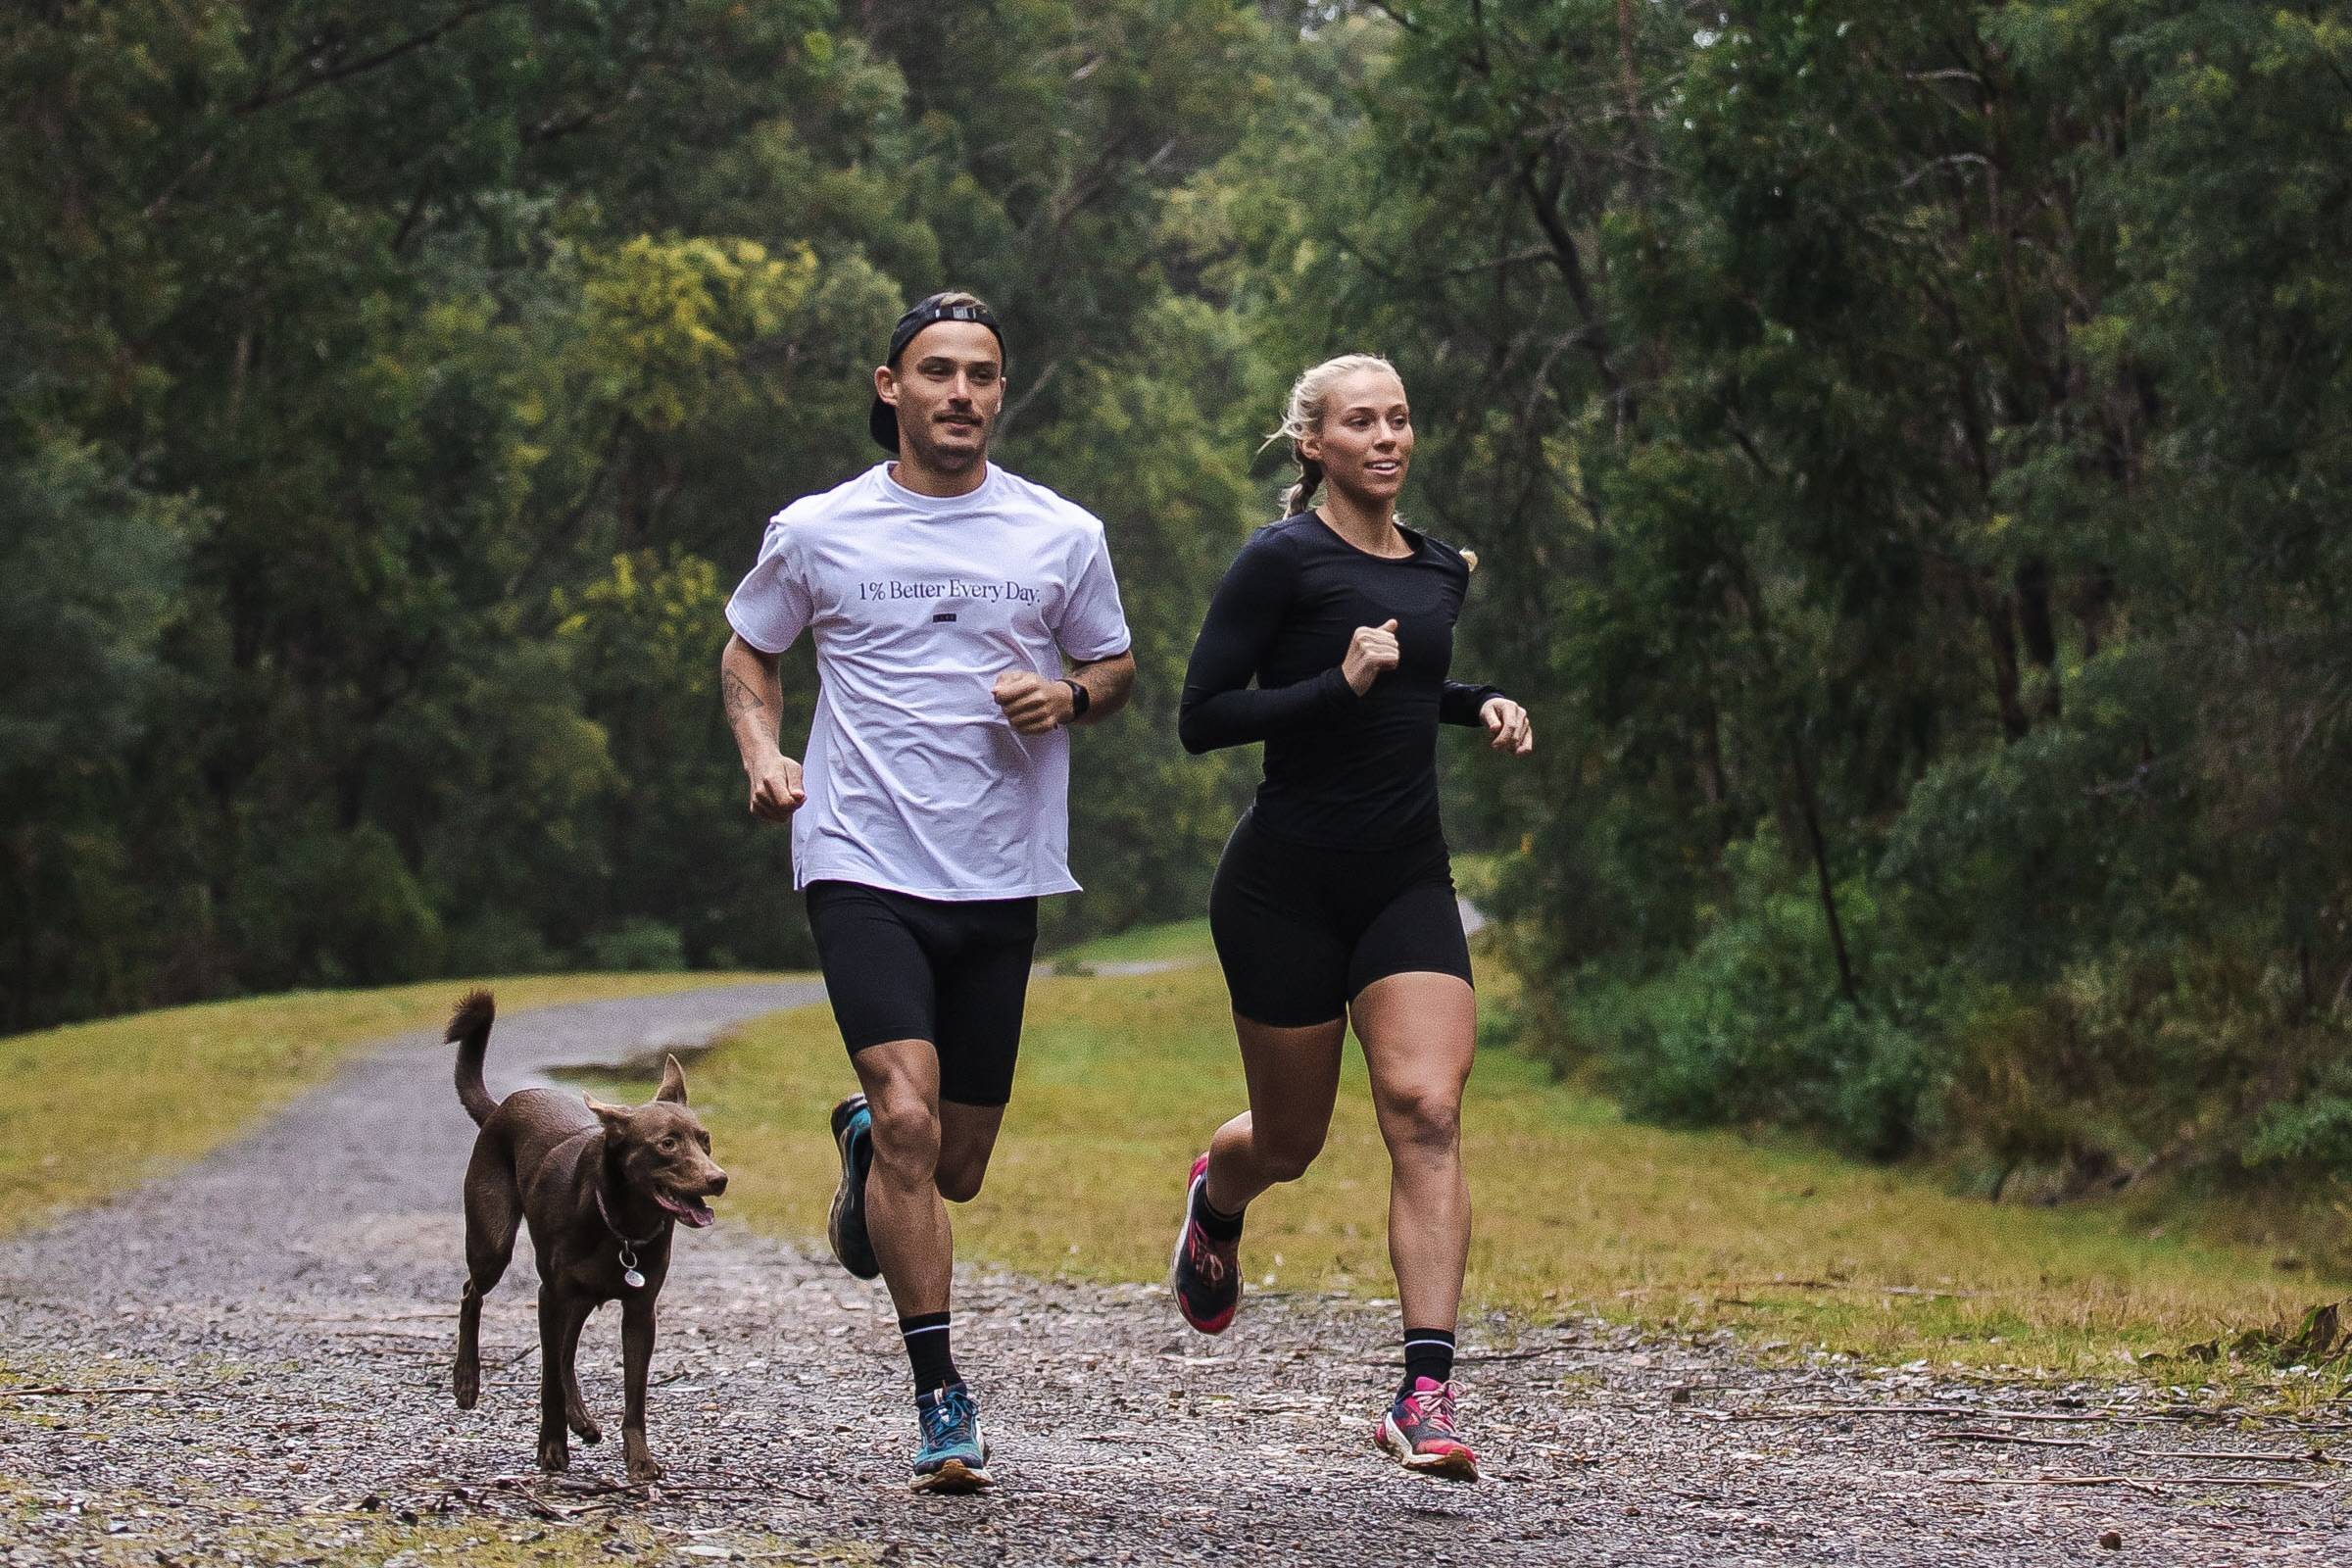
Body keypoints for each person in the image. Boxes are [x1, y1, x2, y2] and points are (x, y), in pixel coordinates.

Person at [718, 291, 1136, 1493]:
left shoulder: (1061, 533)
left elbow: (1111, 664)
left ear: (1003, 393)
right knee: (911, 1113)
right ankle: (940, 1392)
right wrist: (763, 755)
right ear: (890, 386)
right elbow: (752, 646)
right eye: (938, 371)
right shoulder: (820, 529)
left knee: (953, 1162)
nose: (963, 393)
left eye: (984, 374)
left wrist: (1071, 697)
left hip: (999, 872)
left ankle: (864, 1155)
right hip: (858, 854)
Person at [1167, 353, 1532, 1481]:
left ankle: (1425, 1389)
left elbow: (1416, 684)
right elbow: (1203, 717)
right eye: (1360, 422)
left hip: (1404, 881)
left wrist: (1480, 705)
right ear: (1312, 444)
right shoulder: (1279, 561)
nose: (1386, 437)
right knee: (1290, 1141)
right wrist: (1339, 684)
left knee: (1426, 1108)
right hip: (1284, 887)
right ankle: (1217, 1196)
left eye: (1400, 418)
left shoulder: (1436, 569)